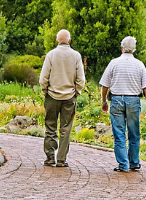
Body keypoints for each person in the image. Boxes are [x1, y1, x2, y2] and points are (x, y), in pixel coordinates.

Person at [99, 36, 146, 172]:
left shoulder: (114, 63)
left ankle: (123, 164)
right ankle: (134, 162)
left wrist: (104, 101)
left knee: (119, 133)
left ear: (121, 47)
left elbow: (105, 85)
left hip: (116, 99)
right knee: (134, 133)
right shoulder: (139, 64)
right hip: (133, 100)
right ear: (134, 49)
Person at [39, 29, 86, 167]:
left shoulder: (51, 55)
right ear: (69, 41)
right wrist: (76, 92)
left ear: (56, 40)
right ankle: (61, 159)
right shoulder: (76, 56)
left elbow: (43, 78)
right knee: (66, 128)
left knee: (50, 126)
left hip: (52, 95)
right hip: (69, 96)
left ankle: (49, 156)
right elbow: (80, 79)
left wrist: (45, 91)